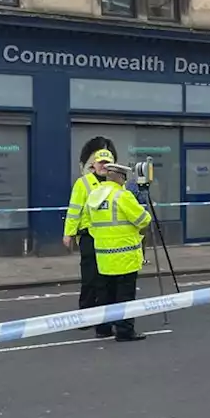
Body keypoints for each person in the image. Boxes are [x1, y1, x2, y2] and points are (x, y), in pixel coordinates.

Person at [86, 162, 151, 342]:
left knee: (105, 293)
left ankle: (103, 328)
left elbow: (88, 222)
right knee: (125, 295)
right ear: (121, 178)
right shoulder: (122, 196)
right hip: (124, 255)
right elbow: (143, 219)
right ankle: (124, 331)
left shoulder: (94, 195)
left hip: (103, 255)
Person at [65, 138, 117, 329]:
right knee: (89, 278)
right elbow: (74, 209)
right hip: (88, 236)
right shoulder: (83, 183)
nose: (104, 166)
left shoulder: (116, 183)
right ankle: (85, 315)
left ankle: (103, 316)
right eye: (101, 162)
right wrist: (68, 233)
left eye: (107, 163)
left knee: (105, 280)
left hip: (109, 238)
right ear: (93, 165)